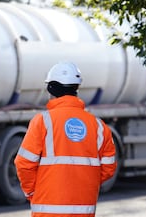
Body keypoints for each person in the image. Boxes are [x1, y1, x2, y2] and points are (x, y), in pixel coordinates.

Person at [14, 62, 117, 217]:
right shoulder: (98, 125)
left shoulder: (42, 121)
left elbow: (23, 163)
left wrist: (31, 192)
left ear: (51, 88)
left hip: (47, 210)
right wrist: (85, 182)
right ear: (76, 88)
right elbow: (108, 167)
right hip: (84, 208)